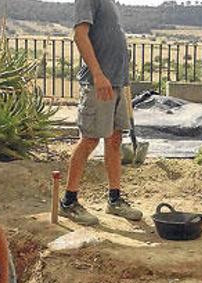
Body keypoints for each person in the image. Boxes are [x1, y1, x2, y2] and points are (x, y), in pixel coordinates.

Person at [59, 0, 142, 226]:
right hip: (99, 84)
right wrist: (97, 74)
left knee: (115, 140)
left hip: (116, 83)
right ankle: (68, 202)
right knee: (89, 140)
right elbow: (80, 35)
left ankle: (114, 199)